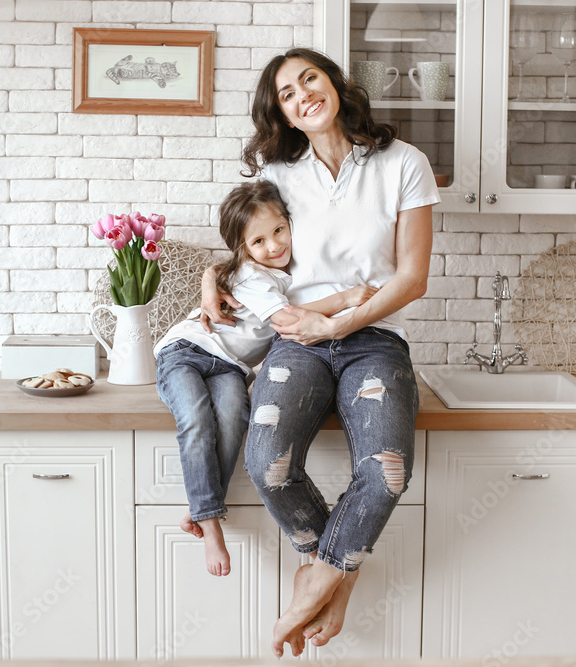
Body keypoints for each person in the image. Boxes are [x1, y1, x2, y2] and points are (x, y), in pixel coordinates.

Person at [199, 48, 439, 656]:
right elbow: (244, 248)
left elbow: (411, 279)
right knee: (267, 464)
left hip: (375, 339)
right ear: (281, 112)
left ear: (333, 83)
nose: (302, 93)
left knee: (386, 473)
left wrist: (340, 325)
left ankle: (318, 586)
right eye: (286, 92)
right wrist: (212, 276)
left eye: (310, 78)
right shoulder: (279, 177)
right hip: (297, 342)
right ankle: (333, 565)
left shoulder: (404, 162)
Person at [154, 180, 378, 577]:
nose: (274, 246)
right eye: (259, 241)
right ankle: (209, 524)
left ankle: (201, 511)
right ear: (243, 249)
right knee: (195, 418)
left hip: (230, 367)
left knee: (233, 418)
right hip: (187, 351)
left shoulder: (282, 276)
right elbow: (286, 320)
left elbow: (289, 306)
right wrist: (346, 299)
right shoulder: (249, 275)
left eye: (278, 231)